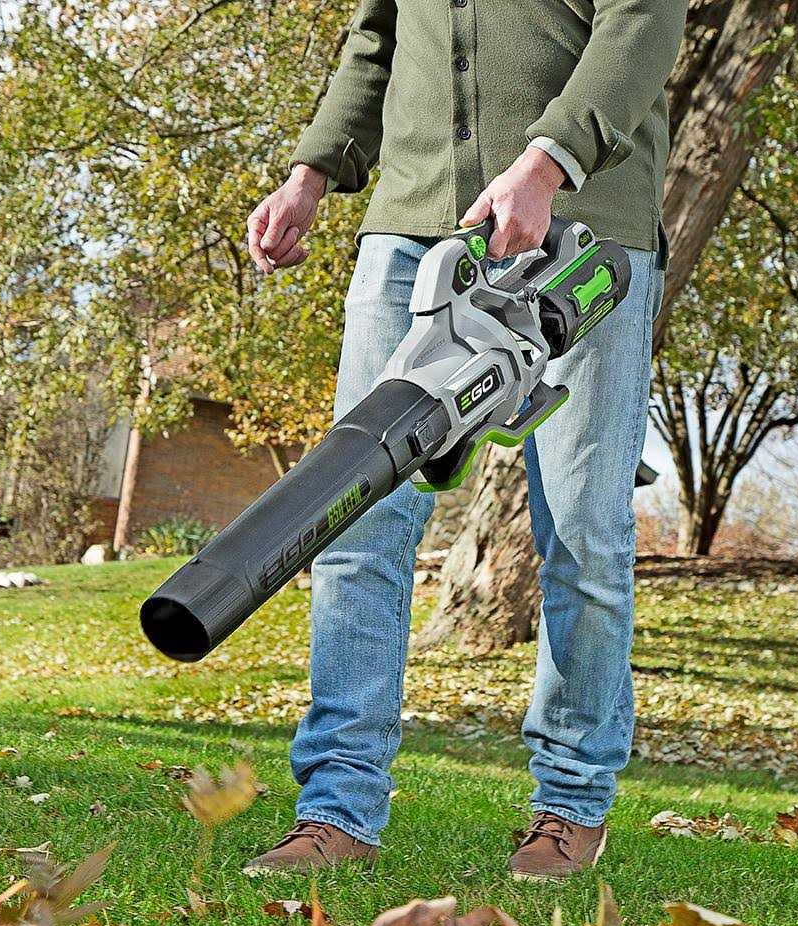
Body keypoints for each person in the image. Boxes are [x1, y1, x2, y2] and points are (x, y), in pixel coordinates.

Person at [243, 0, 686, 881]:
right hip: (411, 225)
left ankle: (571, 806)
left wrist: (547, 161)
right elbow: (377, 38)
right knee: (357, 519)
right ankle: (337, 809)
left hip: (581, 227)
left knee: (582, 531)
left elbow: (643, 17)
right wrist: (310, 174)